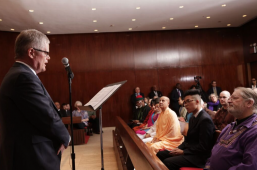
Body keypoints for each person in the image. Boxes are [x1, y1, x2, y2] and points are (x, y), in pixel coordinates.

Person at [0, 29, 70, 170]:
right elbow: (46, 116)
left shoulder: (19, 74)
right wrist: (65, 136)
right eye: (46, 53)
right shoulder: (23, 77)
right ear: (31, 52)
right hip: (31, 157)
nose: (48, 57)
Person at [157, 89, 215, 170]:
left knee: (168, 161)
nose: (185, 105)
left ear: (197, 101)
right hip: (190, 151)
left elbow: (204, 147)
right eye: (185, 102)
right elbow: (187, 140)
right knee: (161, 154)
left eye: (188, 101)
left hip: (199, 157)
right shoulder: (192, 117)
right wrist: (179, 148)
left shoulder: (205, 119)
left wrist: (184, 152)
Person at [205, 87, 257, 170]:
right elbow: (214, 151)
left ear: (249, 103)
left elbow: (249, 166)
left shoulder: (254, 130)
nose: (229, 101)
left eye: (234, 98)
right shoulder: (229, 127)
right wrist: (207, 167)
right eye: (230, 98)